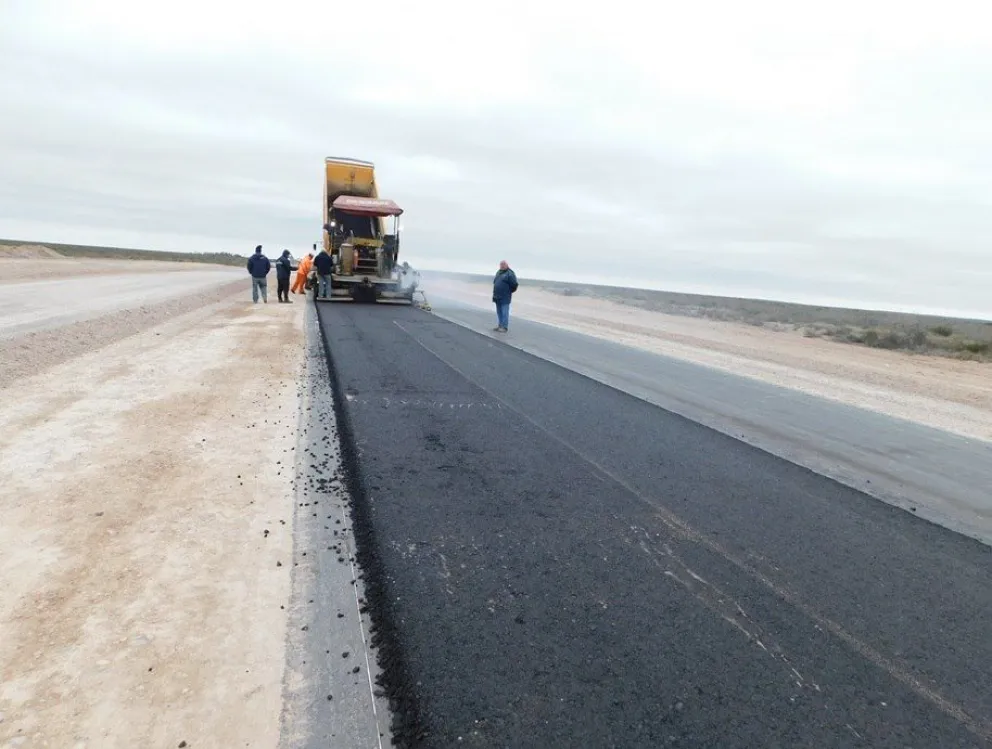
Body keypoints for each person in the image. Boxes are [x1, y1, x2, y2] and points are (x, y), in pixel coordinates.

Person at [492, 259, 518, 332]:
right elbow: (495, 282)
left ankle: (504, 327)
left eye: (503, 264)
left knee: (504, 312)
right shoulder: (498, 272)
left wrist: (508, 292)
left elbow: (514, 285)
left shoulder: (510, 273)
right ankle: (500, 325)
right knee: (499, 312)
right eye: (501, 264)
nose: (502, 266)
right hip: (497, 296)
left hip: (505, 297)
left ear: (507, 265)